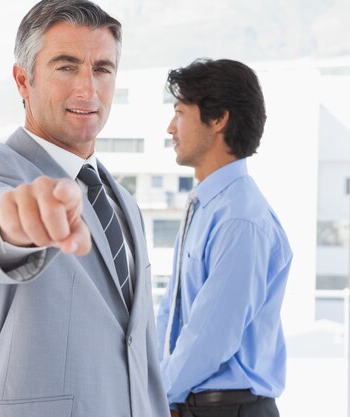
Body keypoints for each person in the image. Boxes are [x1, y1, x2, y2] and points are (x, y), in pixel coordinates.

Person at [0, 1, 170, 416]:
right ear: (23, 80)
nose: (88, 89)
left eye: (102, 69)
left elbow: (137, 344)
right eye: (66, 67)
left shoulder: (124, 202)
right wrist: (15, 221)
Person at [156, 58, 293, 417]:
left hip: (228, 409)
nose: (171, 127)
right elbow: (173, 313)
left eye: (180, 112)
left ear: (218, 119)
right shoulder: (205, 205)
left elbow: (210, 338)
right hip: (192, 404)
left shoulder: (240, 219)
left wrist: (152, 398)